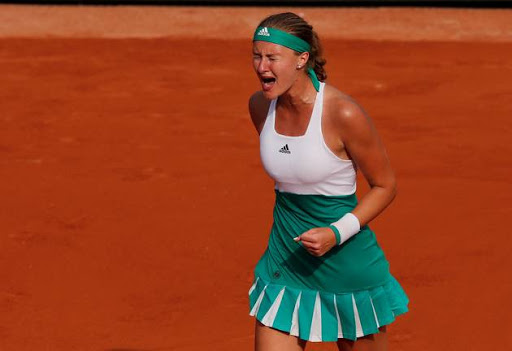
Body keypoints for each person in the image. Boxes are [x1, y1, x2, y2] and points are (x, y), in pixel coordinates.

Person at [247, 12, 409, 351]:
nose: (262, 66)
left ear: (301, 59)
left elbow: (385, 185)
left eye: (272, 57)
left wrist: (336, 232)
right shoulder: (261, 107)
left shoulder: (342, 113)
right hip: (286, 260)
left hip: (347, 265)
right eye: (257, 55)